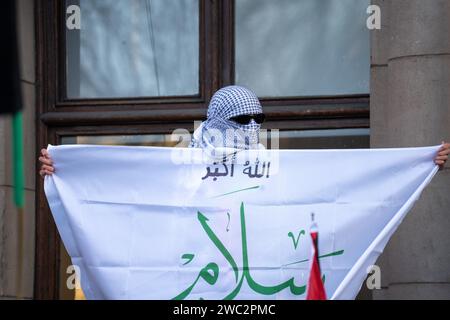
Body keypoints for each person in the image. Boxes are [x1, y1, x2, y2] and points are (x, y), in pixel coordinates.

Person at [39, 85, 450, 177]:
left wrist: (417, 164)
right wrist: (67, 169)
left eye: (259, 121)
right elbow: (128, 182)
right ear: (217, 121)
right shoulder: (180, 165)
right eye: (240, 121)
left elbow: (341, 177)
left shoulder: (271, 166)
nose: (252, 129)